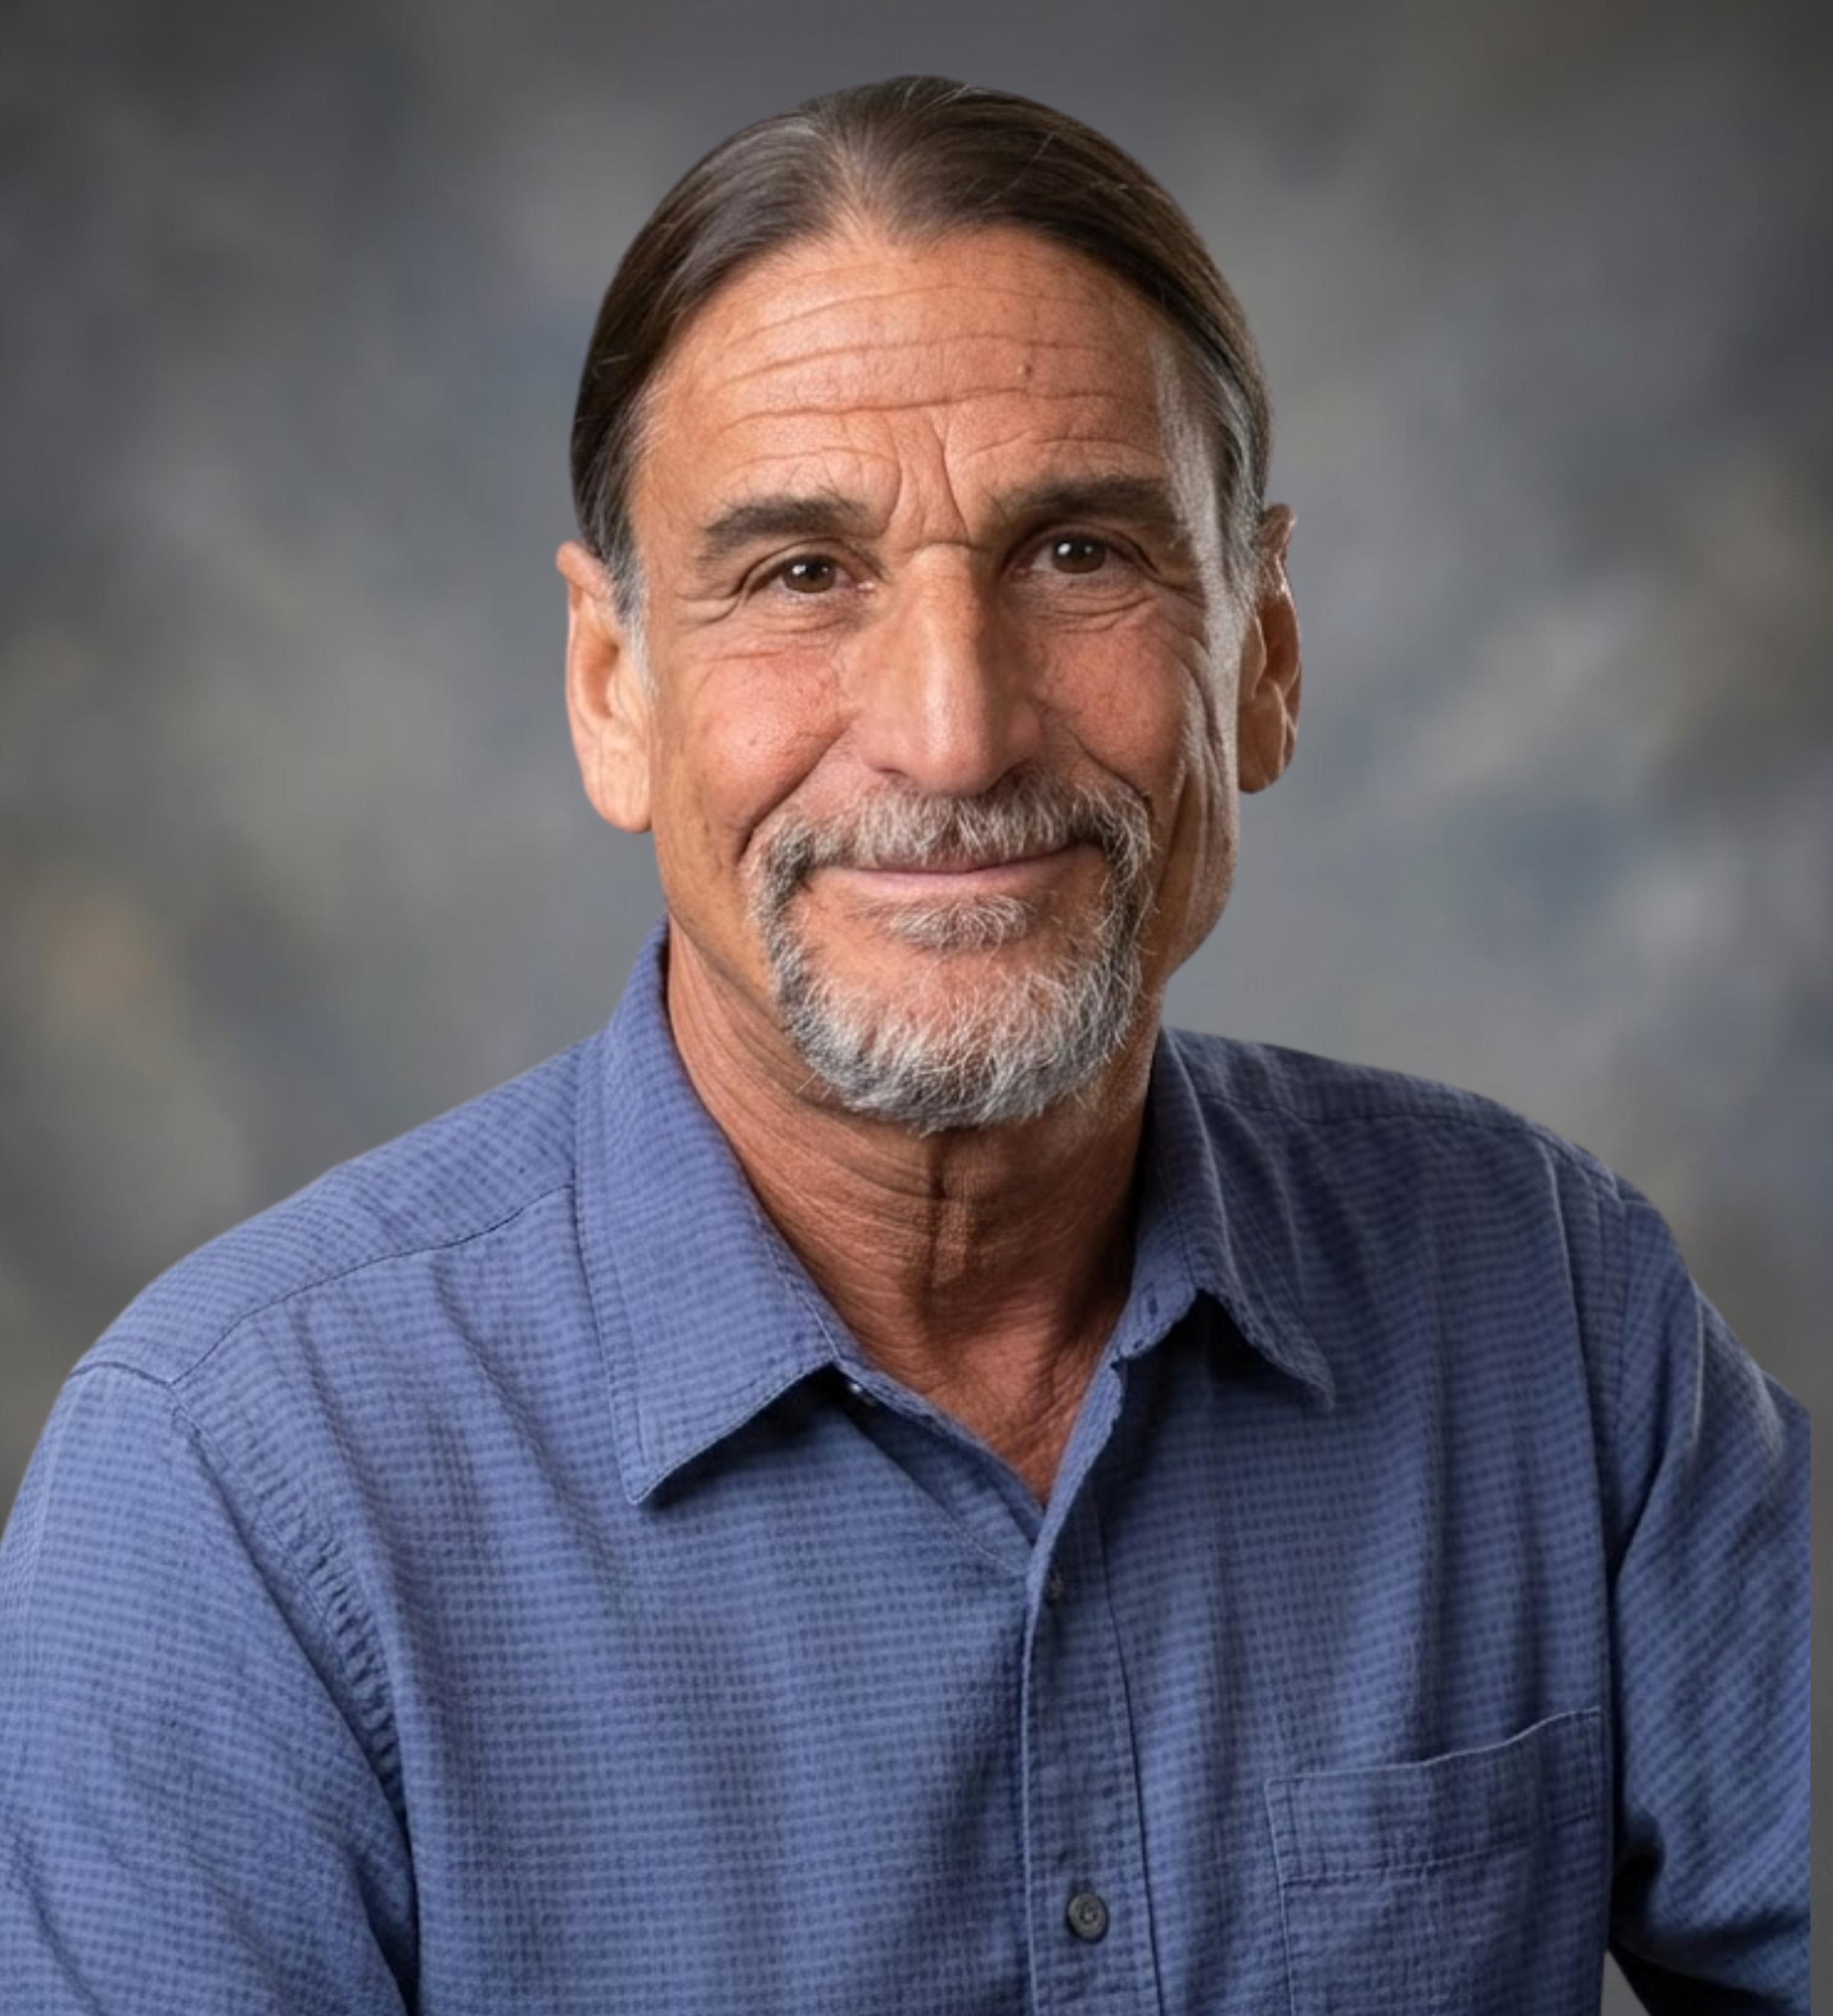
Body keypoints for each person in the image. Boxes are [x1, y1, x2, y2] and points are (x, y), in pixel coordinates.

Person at [0, 76, 1807, 2015]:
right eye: (802, 574)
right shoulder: (233, 1496)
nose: (955, 733)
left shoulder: (1553, 1309)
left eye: (1079, 553)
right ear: (613, 688)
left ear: (1263, 653)